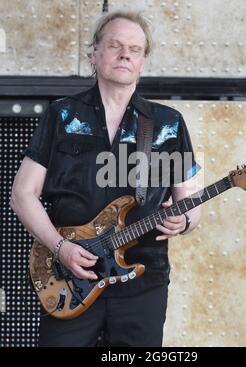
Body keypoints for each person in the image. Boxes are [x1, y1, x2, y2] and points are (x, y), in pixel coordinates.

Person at [10, 11, 201, 347]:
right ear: (94, 54)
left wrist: (184, 220)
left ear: (142, 61)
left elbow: (190, 204)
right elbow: (23, 194)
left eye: (135, 49)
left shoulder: (168, 124)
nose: (125, 54)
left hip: (142, 282)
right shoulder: (62, 115)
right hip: (68, 276)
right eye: (114, 45)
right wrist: (60, 247)